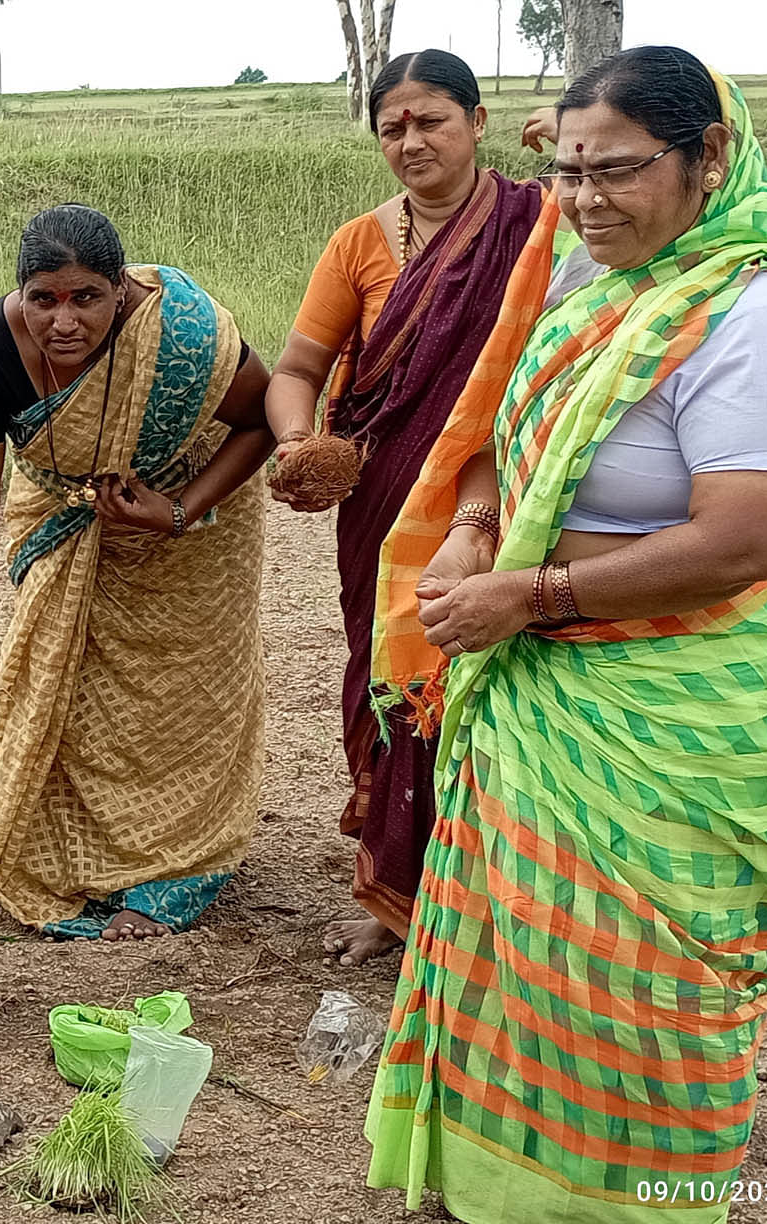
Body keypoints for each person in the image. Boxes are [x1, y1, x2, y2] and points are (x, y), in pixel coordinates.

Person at [365, 48, 767, 1222]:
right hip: (549, 680)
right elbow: (502, 434)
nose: (585, 201)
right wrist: (477, 528)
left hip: (690, 693)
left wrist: (526, 596)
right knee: (528, 956)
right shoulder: (585, 292)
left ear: (707, 159)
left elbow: (743, 539)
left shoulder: (757, 315)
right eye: (565, 172)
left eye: (617, 172)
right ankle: (504, 1182)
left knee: (645, 980)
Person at [261, 51, 547, 968]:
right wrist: (300, 442)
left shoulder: (541, 219)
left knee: (498, 682)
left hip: (503, 487)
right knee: (393, 674)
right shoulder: (360, 243)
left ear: (479, 120)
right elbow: (299, 371)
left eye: (432, 121)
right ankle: (398, 894)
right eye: (394, 128)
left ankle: (498, 884)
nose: (413, 142)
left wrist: (575, 149)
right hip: (386, 504)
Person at [0, 204, 274, 940]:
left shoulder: (179, 338)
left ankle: (171, 867)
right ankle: (66, 847)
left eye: (86, 297)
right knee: (63, 679)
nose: (64, 321)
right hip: (67, 513)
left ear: (120, 291)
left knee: (176, 698)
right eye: (44, 300)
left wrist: (179, 509)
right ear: (20, 293)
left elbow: (262, 419)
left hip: (195, 520)